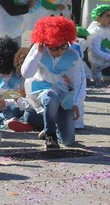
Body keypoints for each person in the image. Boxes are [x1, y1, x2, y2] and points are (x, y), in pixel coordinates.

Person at [21, 16, 85, 149]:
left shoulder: (73, 55)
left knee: (68, 141)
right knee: (51, 96)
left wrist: (76, 103)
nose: (60, 51)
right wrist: (37, 54)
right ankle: (50, 134)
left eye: (63, 45)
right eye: (54, 47)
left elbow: (80, 81)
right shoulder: (38, 51)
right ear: (45, 42)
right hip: (43, 91)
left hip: (64, 94)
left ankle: (51, 129)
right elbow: (26, 73)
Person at [86, 4, 110, 82]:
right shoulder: (96, 31)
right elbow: (96, 52)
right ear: (98, 17)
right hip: (100, 65)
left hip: (106, 59)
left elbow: (108, 44)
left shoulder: (104, 29)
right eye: (107, 16)